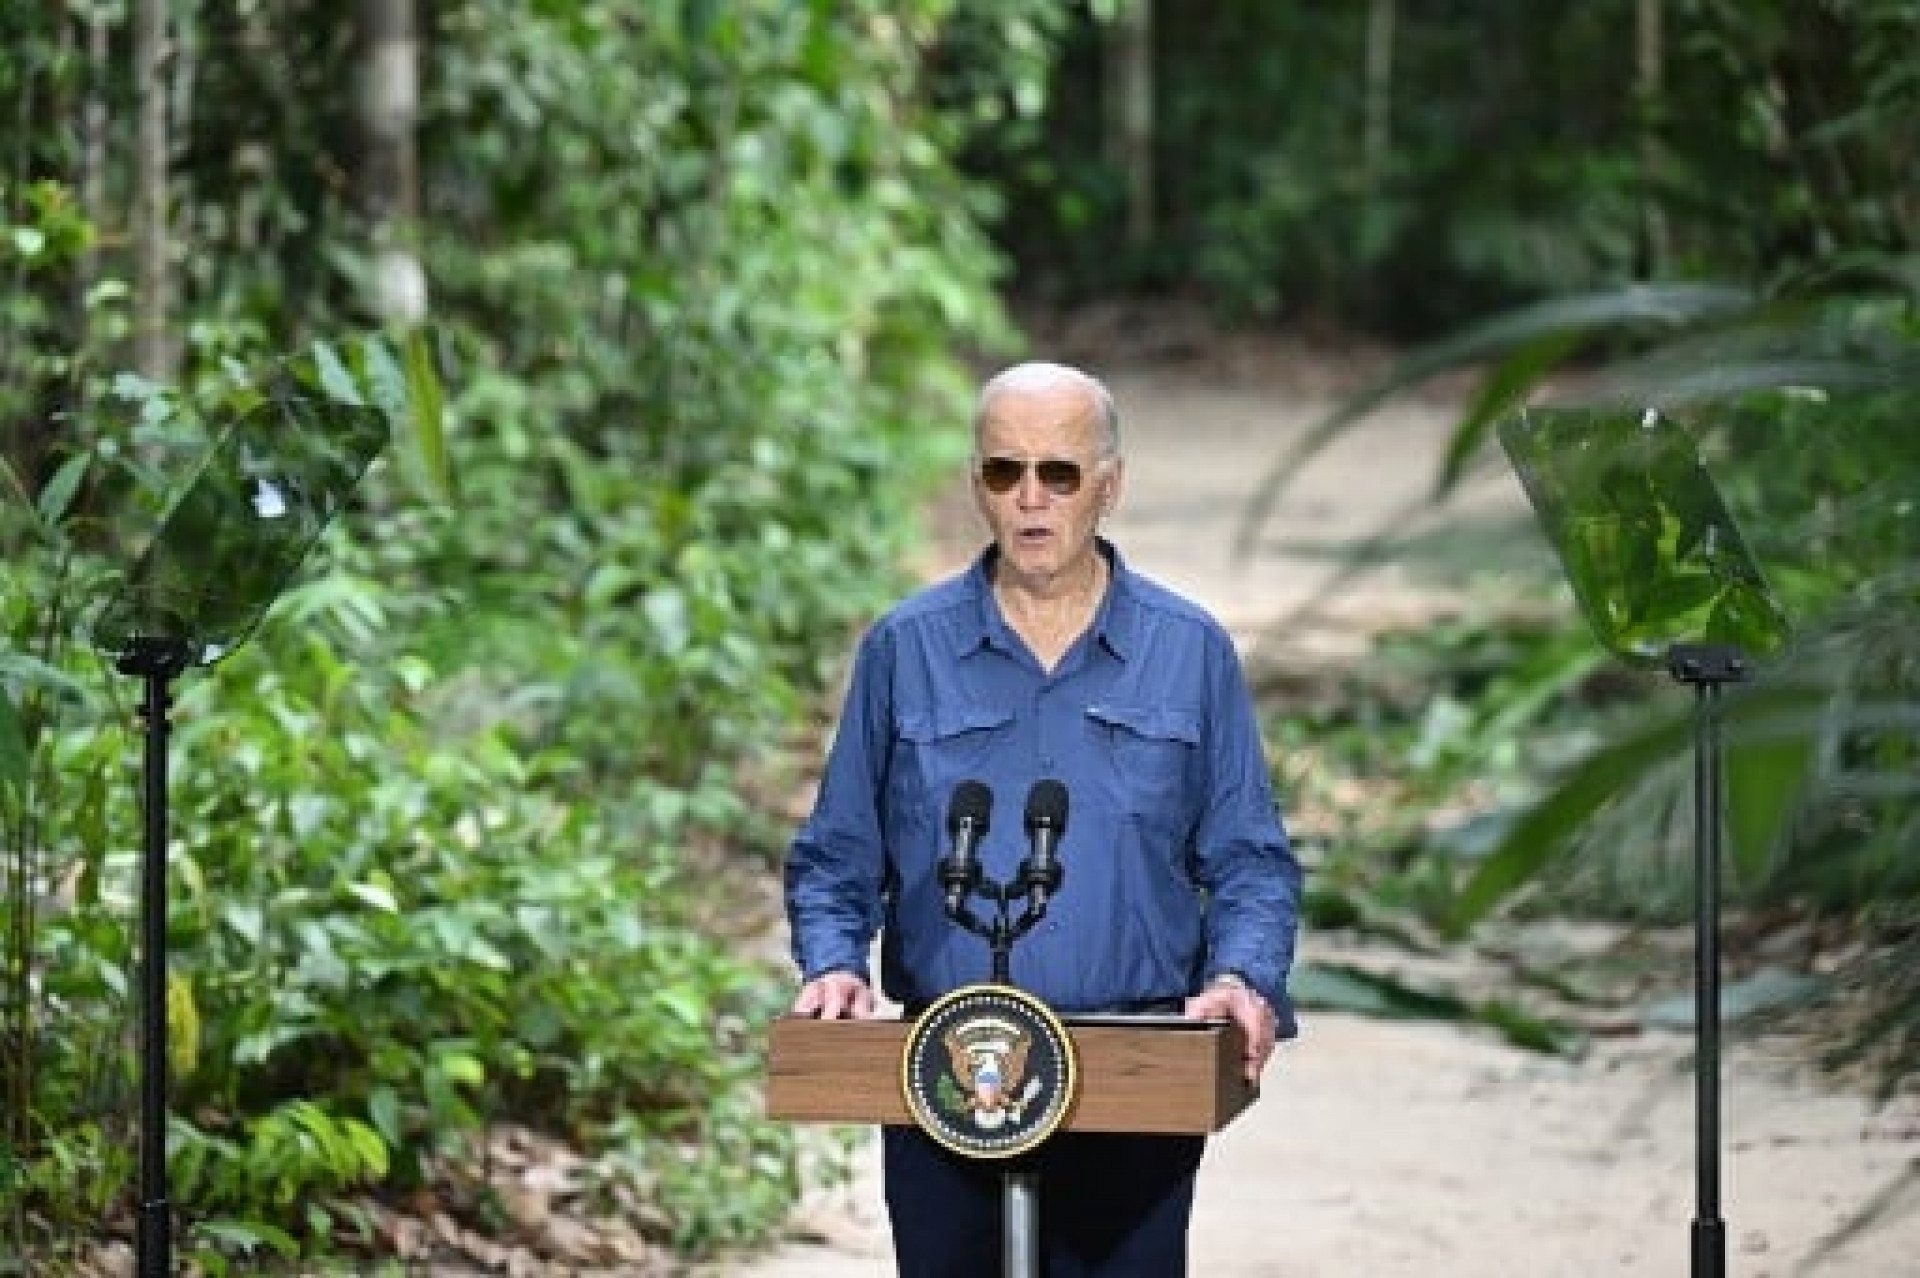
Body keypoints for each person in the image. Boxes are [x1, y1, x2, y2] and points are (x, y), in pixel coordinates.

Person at [784, 360, 1303, 1275]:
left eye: (1058, 474)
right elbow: (836, 856)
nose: (1031, 499)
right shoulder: (907, 648)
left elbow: (1251, 862)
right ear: (977, 486)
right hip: (946, 1068)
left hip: (1136, 1068)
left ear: (1108, 485)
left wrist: (1241, 977)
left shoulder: (1187, 652)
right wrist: (833, 967)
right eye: (1003, 472)